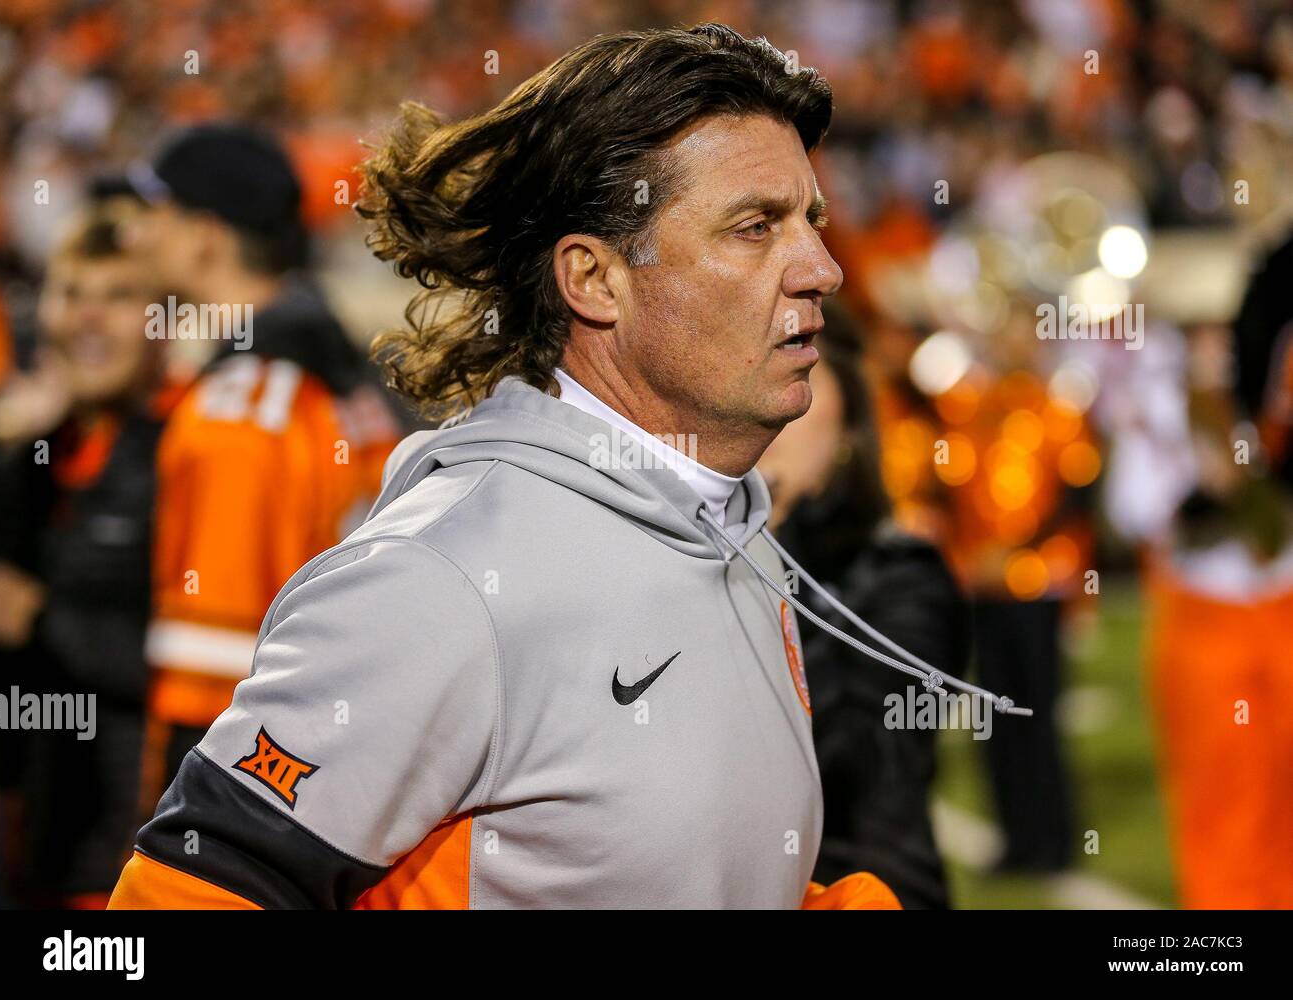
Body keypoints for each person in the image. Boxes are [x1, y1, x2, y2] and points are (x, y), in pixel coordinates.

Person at [111, 24, 1021, 910]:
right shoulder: (447, 576)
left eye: (810, 222)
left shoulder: (725, 526)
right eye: (755, 227)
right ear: (594, 281)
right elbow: (185, 894)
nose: (821, 268)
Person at [119, 124, 402, 810]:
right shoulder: (341, 379)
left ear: (205, 236)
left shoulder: (239, 408)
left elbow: (211, 676)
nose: (140, 235)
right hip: (349, 748)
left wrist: (179, 850)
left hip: (260, 785)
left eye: (158, 213)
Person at [0, 200, 175, 906]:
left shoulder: (188, 454)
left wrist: (38, 616)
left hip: (138, 862)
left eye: (119, 297)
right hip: (35, 853)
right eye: (72, 293)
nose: (89, 319)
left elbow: (209, 667)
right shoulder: (24, 470)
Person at [758, 304, 964, 908]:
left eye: (797, 384)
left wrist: (760, 544)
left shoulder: (902, 573)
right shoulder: (692, 557)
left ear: (849, 430)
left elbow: (859, 752)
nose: (772, 413)